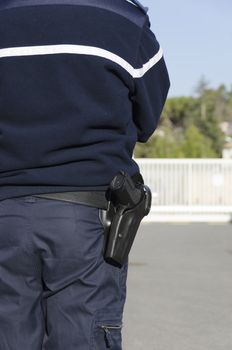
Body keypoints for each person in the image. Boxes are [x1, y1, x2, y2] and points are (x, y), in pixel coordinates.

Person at [0, 0, 170, 349]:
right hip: (86, 215)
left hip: (5, 213)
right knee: (83, 336)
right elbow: (147, 118)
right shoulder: (125, 18)